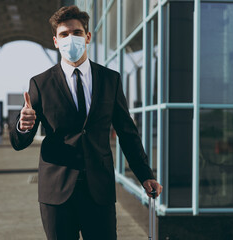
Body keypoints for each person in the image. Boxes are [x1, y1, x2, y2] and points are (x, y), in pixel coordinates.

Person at [9, 5, 163, 240]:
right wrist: (23, 124)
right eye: (64, 34)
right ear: (55, 41)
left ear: (88, 37)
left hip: (99, 192)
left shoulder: (110, 80)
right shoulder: (40, 84)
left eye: (77, 33)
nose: (71, 39)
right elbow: (19, 143)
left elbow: (127, 132)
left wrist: (145, 174)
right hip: (56, 194)